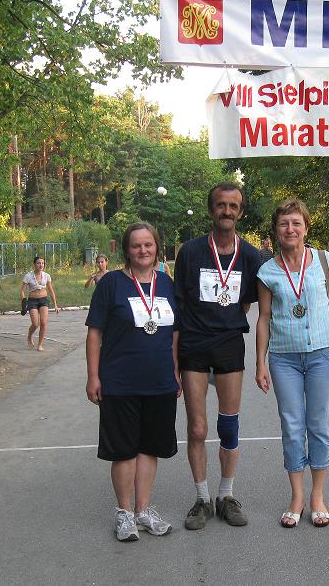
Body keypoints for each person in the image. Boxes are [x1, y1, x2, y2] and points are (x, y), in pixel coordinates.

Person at [254, 198, 329, 528]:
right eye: (284, 223)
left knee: (319, 423)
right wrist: (260, 363)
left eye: (296, 223)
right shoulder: (267, 271)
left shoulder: (324, 261)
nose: (290, 229)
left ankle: (317, 496)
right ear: (276, 230)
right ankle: (297, 496)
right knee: (292, 424)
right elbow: (264, 318)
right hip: (283, 358)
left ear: (306, 228)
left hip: (323, 354)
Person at [85, 222, 181, 542]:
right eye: (137, 245)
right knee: (124, 450)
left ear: (157, 247)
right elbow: (95, 333)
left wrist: (175, 372)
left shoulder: (166, 284)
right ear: (127, 249)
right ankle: (124, 513)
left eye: (148, 244)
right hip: (120, 381)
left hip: (159, 381)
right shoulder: (111, 284)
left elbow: (174, 334)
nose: (143, 250)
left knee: (150, 448)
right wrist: (93, 376)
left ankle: (144, 510)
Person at [174, 181, 261, 530]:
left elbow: (247, 302)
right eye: (221, 205)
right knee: (197, 427)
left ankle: (226, 496)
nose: (227, 211)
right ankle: (201, 499)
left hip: (228, 344)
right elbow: (180, 303)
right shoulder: (191, 252)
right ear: (211, 210)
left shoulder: (250, 255)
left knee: (228, 426)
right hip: (194, 343)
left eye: (233, 206)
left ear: (240, 212)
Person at [20, 256, 60, 351]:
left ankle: (40, 344)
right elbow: (22, 291)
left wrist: (55, 305)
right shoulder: (28, 276)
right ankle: (29, 336)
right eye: (38, 263)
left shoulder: (46, 276)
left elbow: (51, 290)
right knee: (35, 323)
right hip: (32, 301)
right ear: (34, 264)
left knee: (43, 323)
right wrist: (24, 303)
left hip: (43, 300)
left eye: (42, 263)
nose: (41, 265)